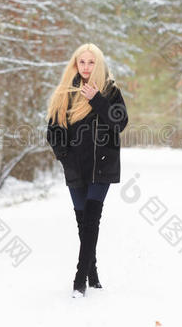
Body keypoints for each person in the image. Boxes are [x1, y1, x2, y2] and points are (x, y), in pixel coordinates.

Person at [45, 43, 128, 298]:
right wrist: (64, 156)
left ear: (99, 64)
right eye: (82, 62)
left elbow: (120, 122)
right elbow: (53, 130)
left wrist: (97, 100)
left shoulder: (110, 91)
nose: (86, 67)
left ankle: (79, 279)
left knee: (92, 220)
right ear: (75, 63)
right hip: (75, 166)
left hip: (102, 163)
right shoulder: (65, 92)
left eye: (92, 62)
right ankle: (93, 273)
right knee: (83, 223)